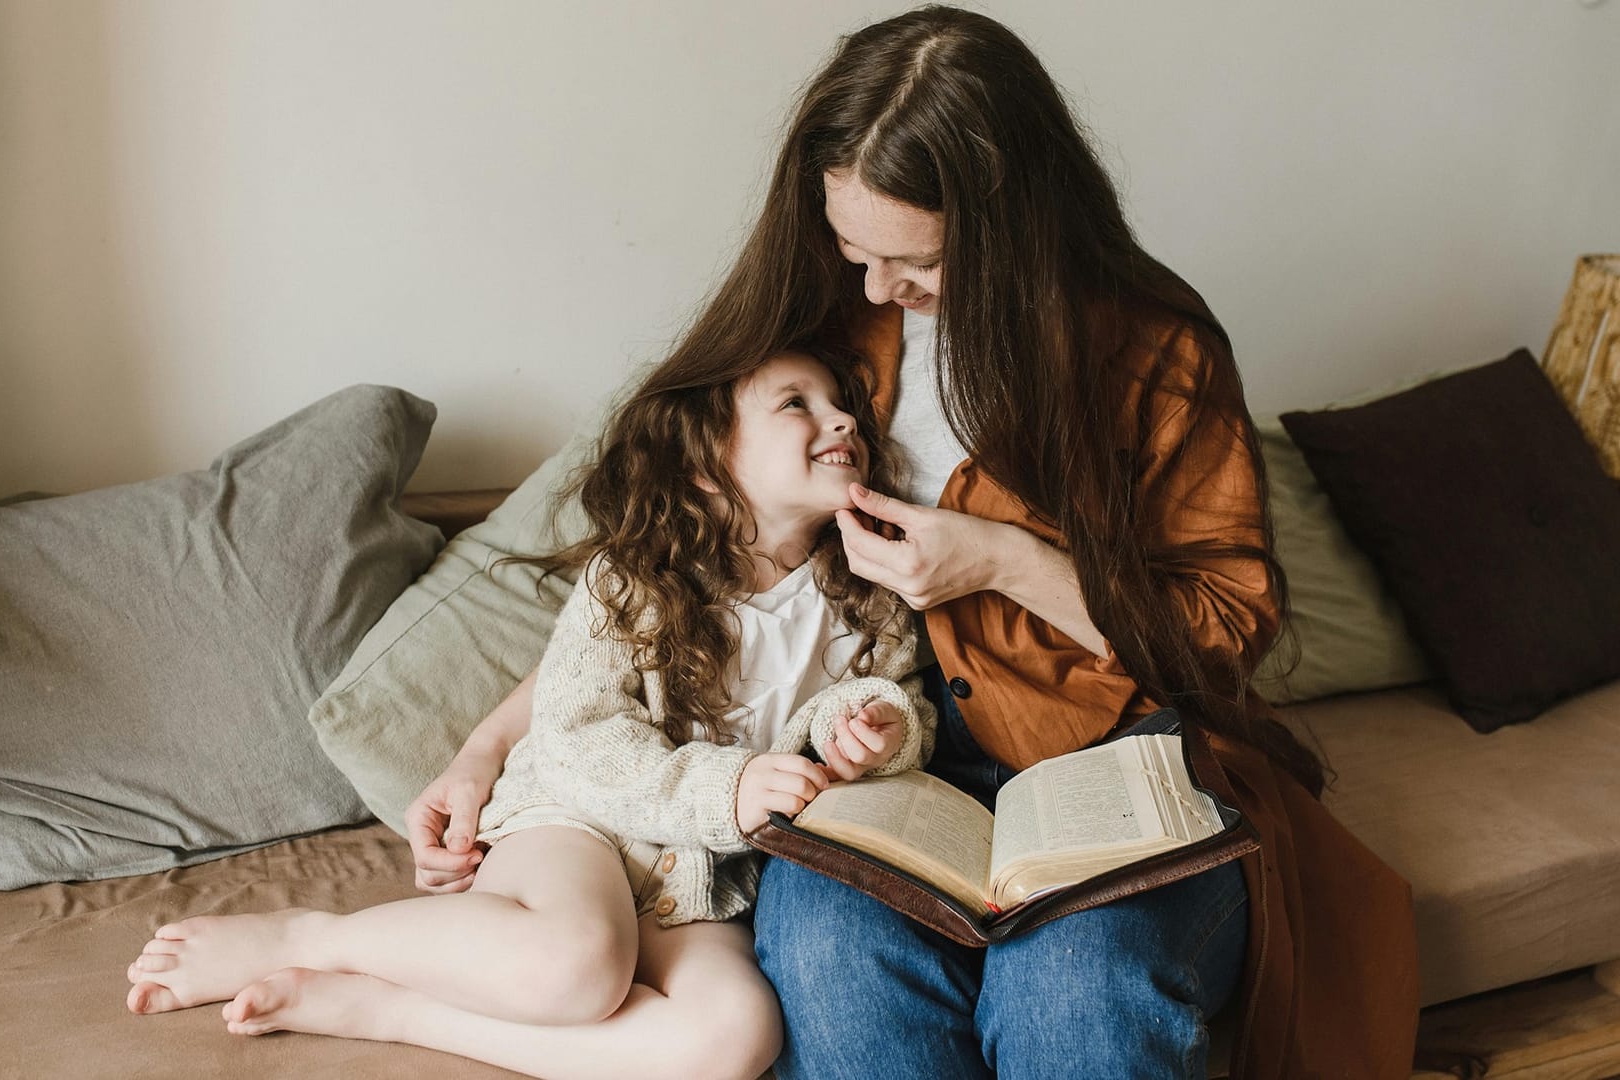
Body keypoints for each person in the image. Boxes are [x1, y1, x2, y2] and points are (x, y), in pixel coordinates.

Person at [410, 6, 1420, 1078]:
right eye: (853, 249)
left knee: (1078, 993)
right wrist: (482, 753)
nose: (875, 289)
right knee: (831, 966)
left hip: (1110, 751)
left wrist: (1000, 560)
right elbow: (670, 582)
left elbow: (1222, 634)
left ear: (1013, 234)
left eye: (917, 264)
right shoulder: (830, 341)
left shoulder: (1151, 351)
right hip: (873, 746)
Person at [122, 344, 936, 1080]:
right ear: (704, 464)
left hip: (696, 868)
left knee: (734, 1037)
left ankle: (392, 1010)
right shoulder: (635, 580)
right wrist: (727, 791)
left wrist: (870, 730)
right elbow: (577, 738)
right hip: (576, 821)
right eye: (797, 403)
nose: (839, 419)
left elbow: (887, 697)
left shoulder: (869, 594)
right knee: (577, 966)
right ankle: (311, 938)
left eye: (843, 406)